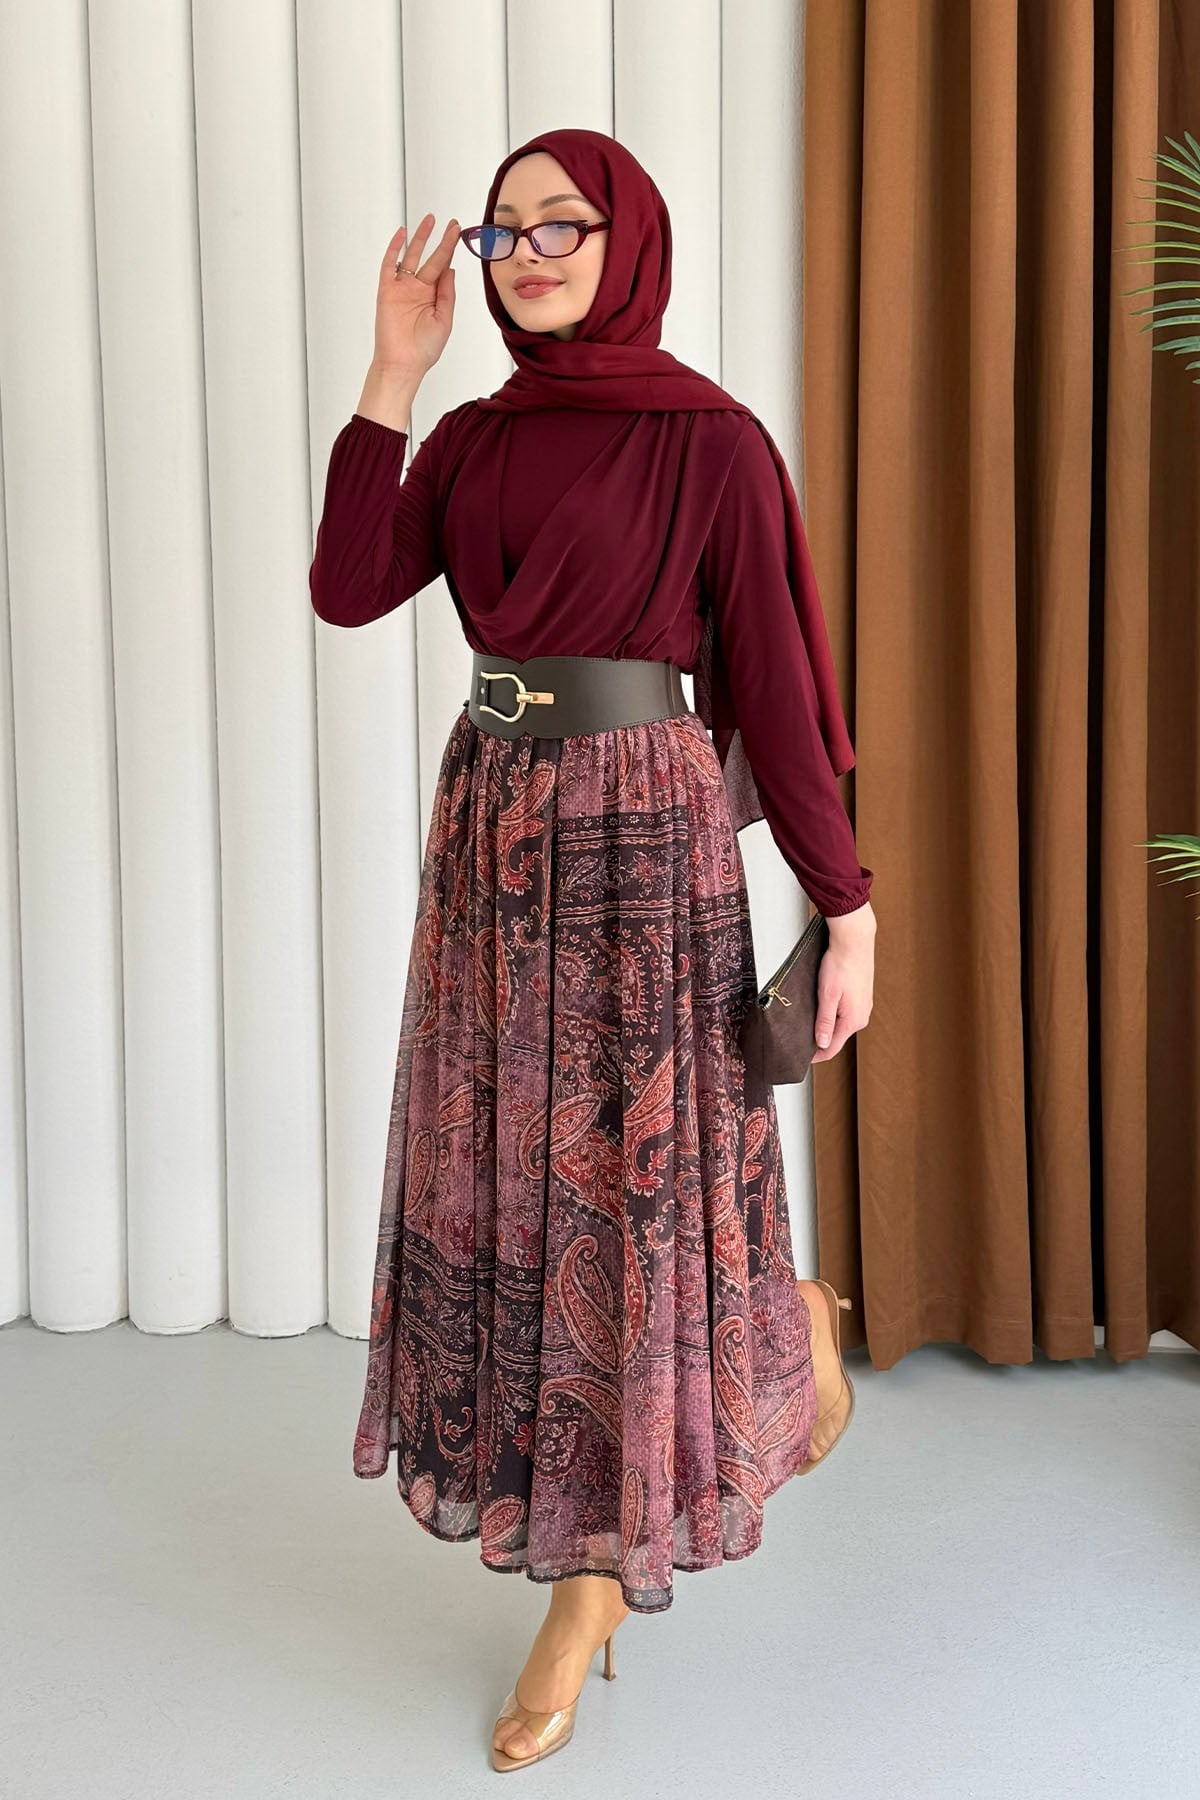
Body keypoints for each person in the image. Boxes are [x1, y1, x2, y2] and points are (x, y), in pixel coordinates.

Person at [309, 126, 876, 1774]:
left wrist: (848, 906)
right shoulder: (474, 436)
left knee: (624, 1199)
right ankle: (776, 1352)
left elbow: (780, 690)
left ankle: (586, 1591)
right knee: (514, 1185)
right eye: (505, 231)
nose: (531, 252)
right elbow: (350, 588)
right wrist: (392, 373)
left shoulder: (712, 442)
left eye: (563, 223)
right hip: (491, 826)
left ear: (631, 241)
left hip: (643, 837)